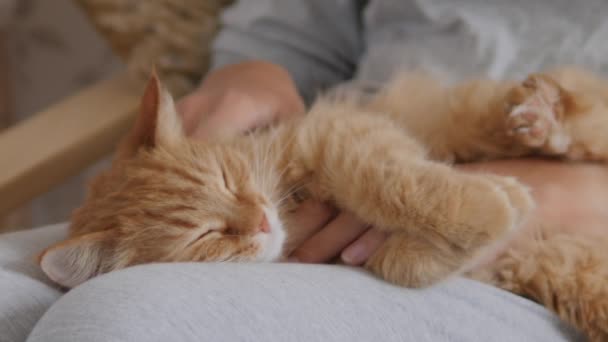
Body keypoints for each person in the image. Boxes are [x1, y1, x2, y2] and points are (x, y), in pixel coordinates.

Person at [3, 1, 606, 340]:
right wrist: (254, 72)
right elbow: (287, 31)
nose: (253, 221)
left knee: (116, 325)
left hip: (551, 224)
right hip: (343, 162)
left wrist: (566, 193)